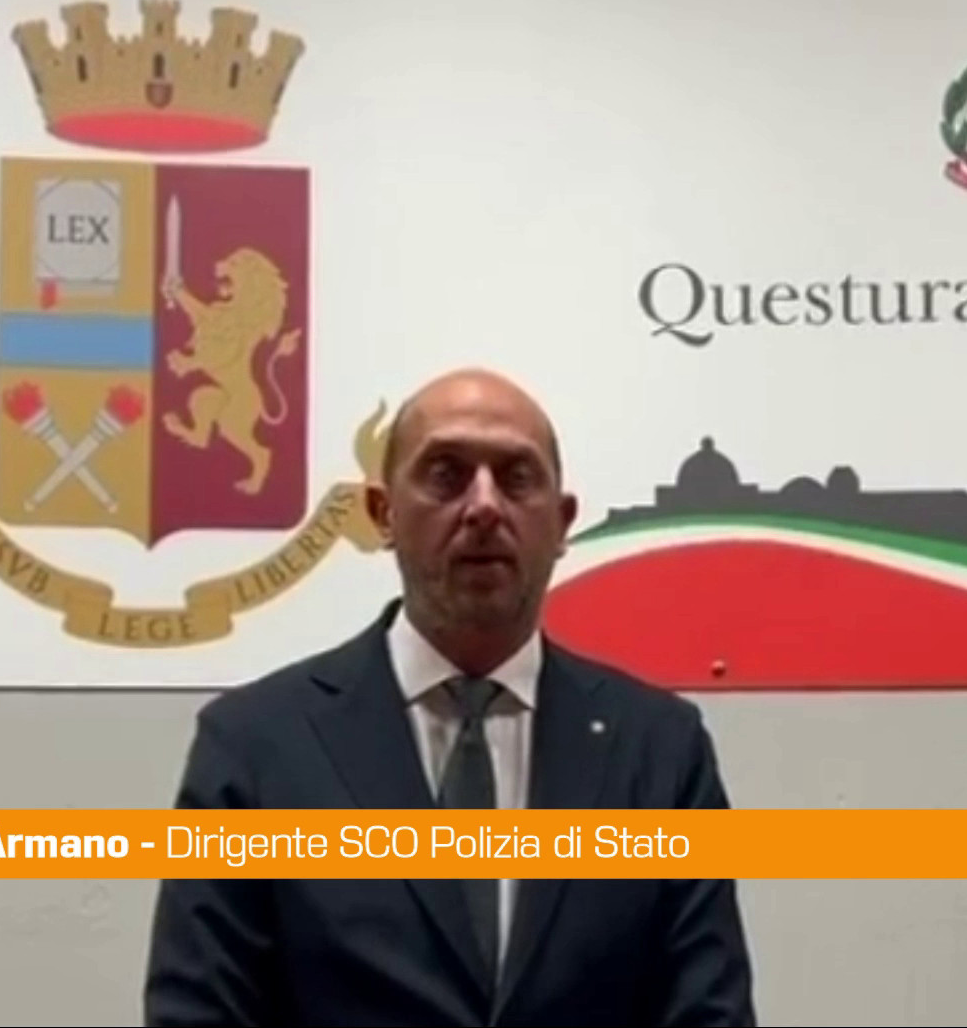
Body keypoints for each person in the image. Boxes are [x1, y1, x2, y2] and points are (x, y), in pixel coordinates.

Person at [142, 367, 756, 1027]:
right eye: (446, 474)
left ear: (561, 524)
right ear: (382, 514)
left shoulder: (659, 751)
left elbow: (709, 1013)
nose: (484, 505)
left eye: (516, 477)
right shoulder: (255, 747)